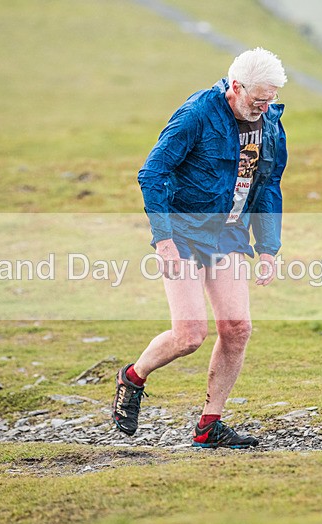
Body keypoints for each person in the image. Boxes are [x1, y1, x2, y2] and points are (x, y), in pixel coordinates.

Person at [113, 48, 288, 448]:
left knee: (237, 328)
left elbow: (269, 185)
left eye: (271, 98)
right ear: (236, 86)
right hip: (184, 231)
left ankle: (209, 426)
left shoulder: (271, 125)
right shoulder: (198, 114)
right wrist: (163, 239)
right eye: (258, 99)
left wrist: (268, 248)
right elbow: (152, 172)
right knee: (189, 335)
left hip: (228, 233)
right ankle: (133, 377)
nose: (264, 106)